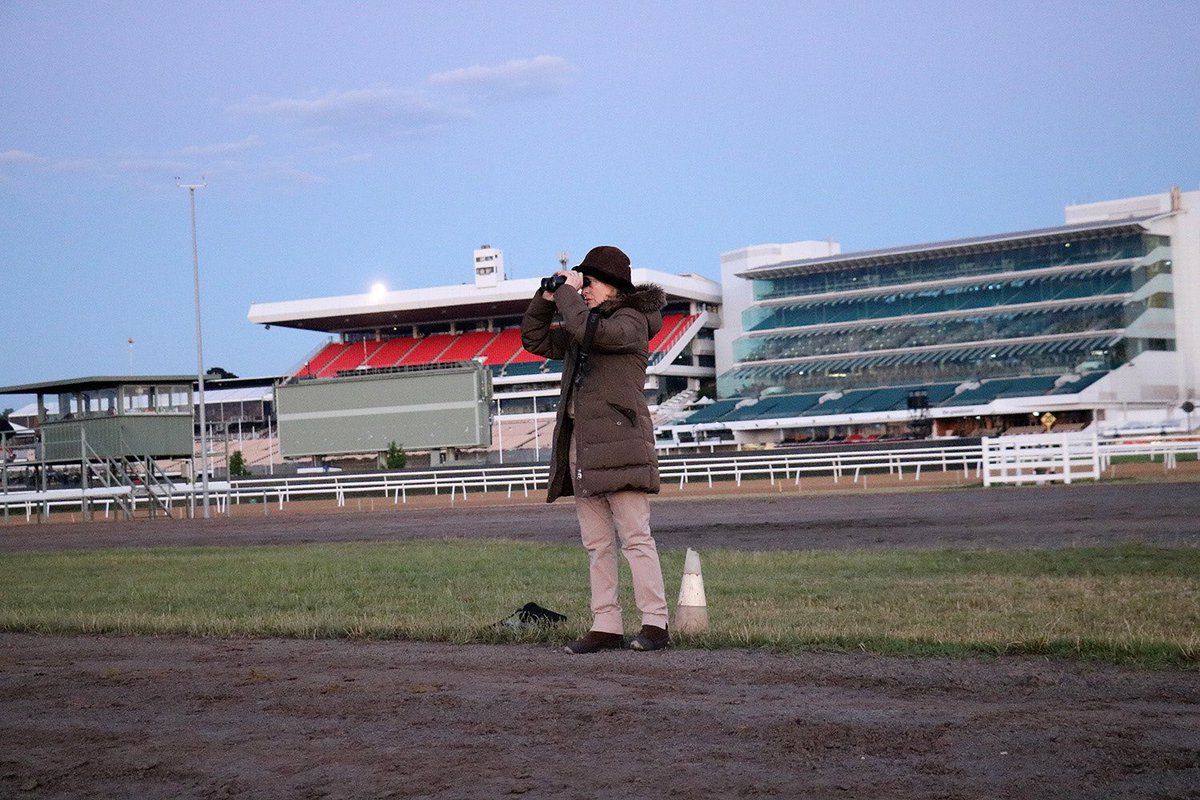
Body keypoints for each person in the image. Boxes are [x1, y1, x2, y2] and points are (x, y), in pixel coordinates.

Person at [521, 245, 671, 654]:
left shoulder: (632, 320)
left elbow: (595, 333)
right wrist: (547, 296)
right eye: (581, 283)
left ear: (613, 287)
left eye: (589, 282)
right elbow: (534, 339)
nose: (583, 289)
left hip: (621, 445)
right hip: (584, 446)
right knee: (597, 544)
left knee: (635, 538)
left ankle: (655, 623)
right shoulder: (584, 323)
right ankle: (606, 624)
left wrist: (566, 294)